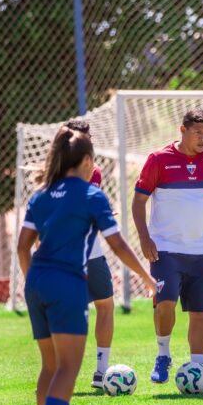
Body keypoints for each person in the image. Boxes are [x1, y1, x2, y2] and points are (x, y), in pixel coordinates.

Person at [17, 126, 155, 405]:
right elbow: (119, 245)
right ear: (87, 160)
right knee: (67, 368)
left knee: (49, 366)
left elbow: (23, 247)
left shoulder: (41, 195)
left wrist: (32, 283)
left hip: (36, 283)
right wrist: (146, 278)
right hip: (67, 283)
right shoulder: (92, 195)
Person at [132, 108, 203, 394]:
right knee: (165, 303)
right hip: (165, 249)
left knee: (201, 313)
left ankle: (198, 371)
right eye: (197, 133)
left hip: (201, 251)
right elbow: (138, 202)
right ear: (182, 130)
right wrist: (144, 238)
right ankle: (163, 354)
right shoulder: (159, 160)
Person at [63, 119, 116, 389]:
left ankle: (101, 371)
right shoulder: (57, 176)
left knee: (105, 305)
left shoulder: (92, 172)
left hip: (89, 253)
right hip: (70, 257)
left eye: (88, 139)